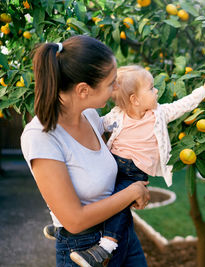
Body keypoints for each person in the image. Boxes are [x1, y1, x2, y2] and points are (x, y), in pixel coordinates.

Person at [20, 35, 150, 267]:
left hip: (122, 234)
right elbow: (75, 221)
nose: (117, 87)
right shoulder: (41, 138)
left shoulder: (89, 116)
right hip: (83, 250)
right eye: (111, 83)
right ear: (83, 90)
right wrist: (132, 192)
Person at [69, 65, 205, 266]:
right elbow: (96, 125)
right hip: (112, 165)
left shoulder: (159, 114)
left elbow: (183, 105)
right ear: (134, 99)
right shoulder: (117, 115)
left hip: (134, 175)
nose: (156, 91)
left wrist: (203, 91)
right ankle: (67, 227)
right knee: (100, 194)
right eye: (151, 88)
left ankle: (105, 248)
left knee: (119, 207)